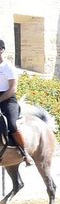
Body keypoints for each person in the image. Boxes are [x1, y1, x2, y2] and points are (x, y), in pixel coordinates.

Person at [0, 39, 31, 167]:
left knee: (12, 124)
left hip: (8, 99)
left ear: (1, 50)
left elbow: (13, 88)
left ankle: (25, 154)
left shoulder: (8, 67)